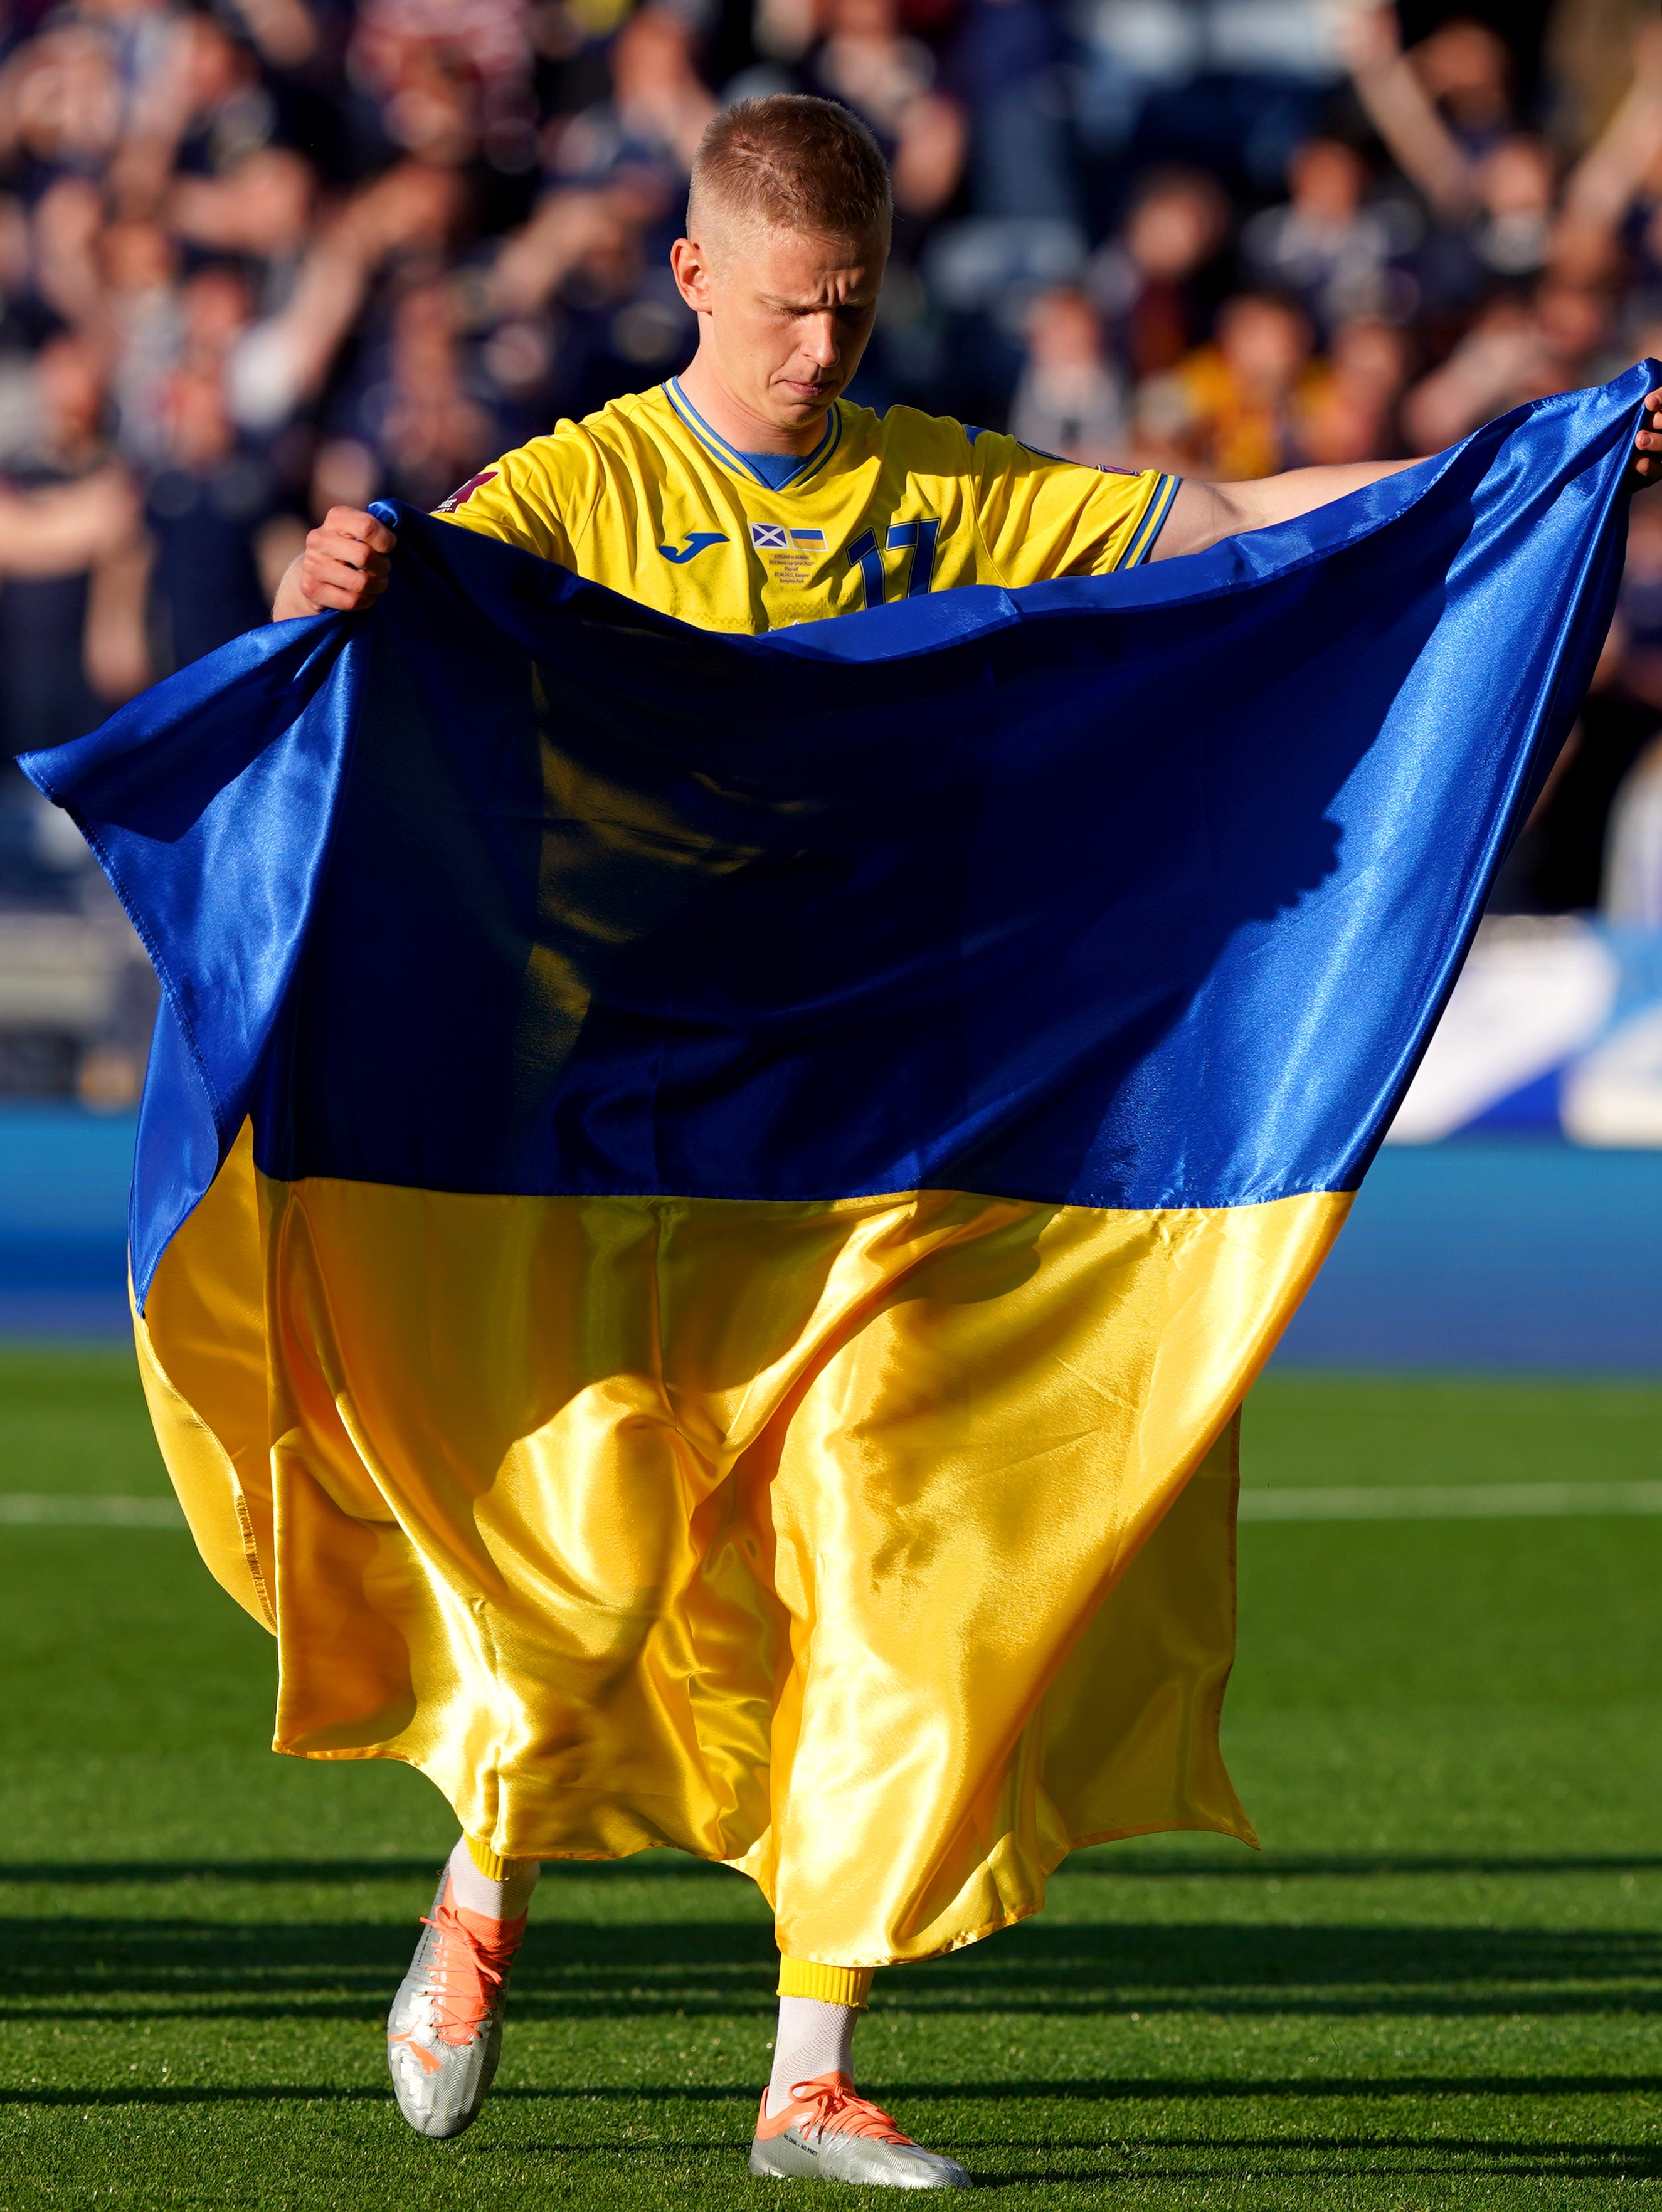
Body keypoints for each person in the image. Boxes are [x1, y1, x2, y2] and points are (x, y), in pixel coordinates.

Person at [270, 92, 1662, 2191]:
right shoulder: (580, 483)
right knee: (600, 1565)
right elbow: (401, 613)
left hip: (900, 1122)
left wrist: (1516, 463)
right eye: (780, 315)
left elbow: (1226, 521)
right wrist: (334, 577)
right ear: (689, 281)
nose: (815, 356)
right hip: (641, 1122)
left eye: (846, 314)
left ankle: (803, 2073)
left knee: (892, 1559)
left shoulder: (942, 484)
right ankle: (482, 1893)